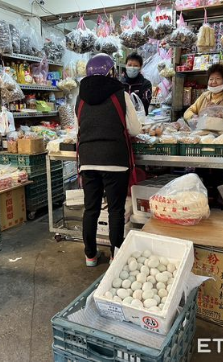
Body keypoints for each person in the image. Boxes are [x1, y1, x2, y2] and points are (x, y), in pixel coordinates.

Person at [76, 53, 141, 267]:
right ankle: (115, 256)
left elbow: (78, 129)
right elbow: (134, 128)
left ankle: (90, 256)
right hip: (115, 159)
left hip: (87, 160)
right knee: (115, 209)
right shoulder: (121, 95)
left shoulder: (80, 97)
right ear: (112, 71)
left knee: (91, 209)